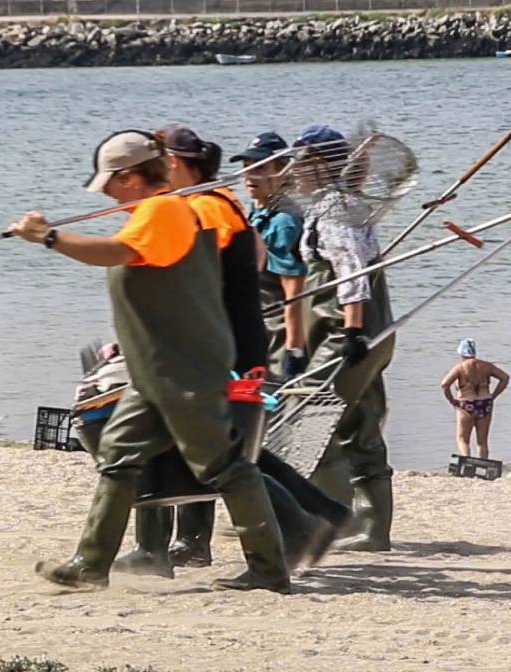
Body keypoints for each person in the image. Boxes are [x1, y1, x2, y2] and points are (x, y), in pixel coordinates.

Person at [7, 129, 289, 593]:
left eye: (111, 184)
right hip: (154, 373)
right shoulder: (155, 211)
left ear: (134, 177)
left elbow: (114, 252)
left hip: (185, 373)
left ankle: (269, 570)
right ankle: (90, 565)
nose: (108, 195)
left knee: (227, 468)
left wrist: (50, 236)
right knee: (118, 458)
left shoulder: (163, 210)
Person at [112, 125, 348, 577]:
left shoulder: (207, 209)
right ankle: (185, 542)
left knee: (220, 452)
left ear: (176, 164)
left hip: (225, 349)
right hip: (217, 343)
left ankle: (303, 524)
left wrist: (294, 344)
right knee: (210, 446)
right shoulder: (204, 205)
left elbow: (231, 276)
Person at [294, 124, 397, 553]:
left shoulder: (334, 210)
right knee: (361, 423)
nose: (292, 171)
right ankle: (374, 529)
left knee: (308, 414)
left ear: (319, 165)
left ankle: (331, 518)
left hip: (348, 332)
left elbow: (349, 271)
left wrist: (351, 331)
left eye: (299, 162)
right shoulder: (350, 205)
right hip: (378, 331)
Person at [231, 131, 309, 381]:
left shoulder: (284, 222)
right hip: (254, 322)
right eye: (246, 167)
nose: (250, 176)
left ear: (283, 172)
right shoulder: (258, 210)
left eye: (261, 168)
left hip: (276, 332)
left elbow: (294, 293)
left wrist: (294, 350)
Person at [440, 338, 510, 460]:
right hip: (485, 403)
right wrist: (494, 395)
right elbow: (505, 378)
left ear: (461, 353)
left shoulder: (460, 367)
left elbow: (444, 384)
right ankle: (483, 465)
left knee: (463, 439)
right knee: (482, 442)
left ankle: (466, 464)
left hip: (466, 404)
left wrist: (452, 400)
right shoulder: (487, 366)